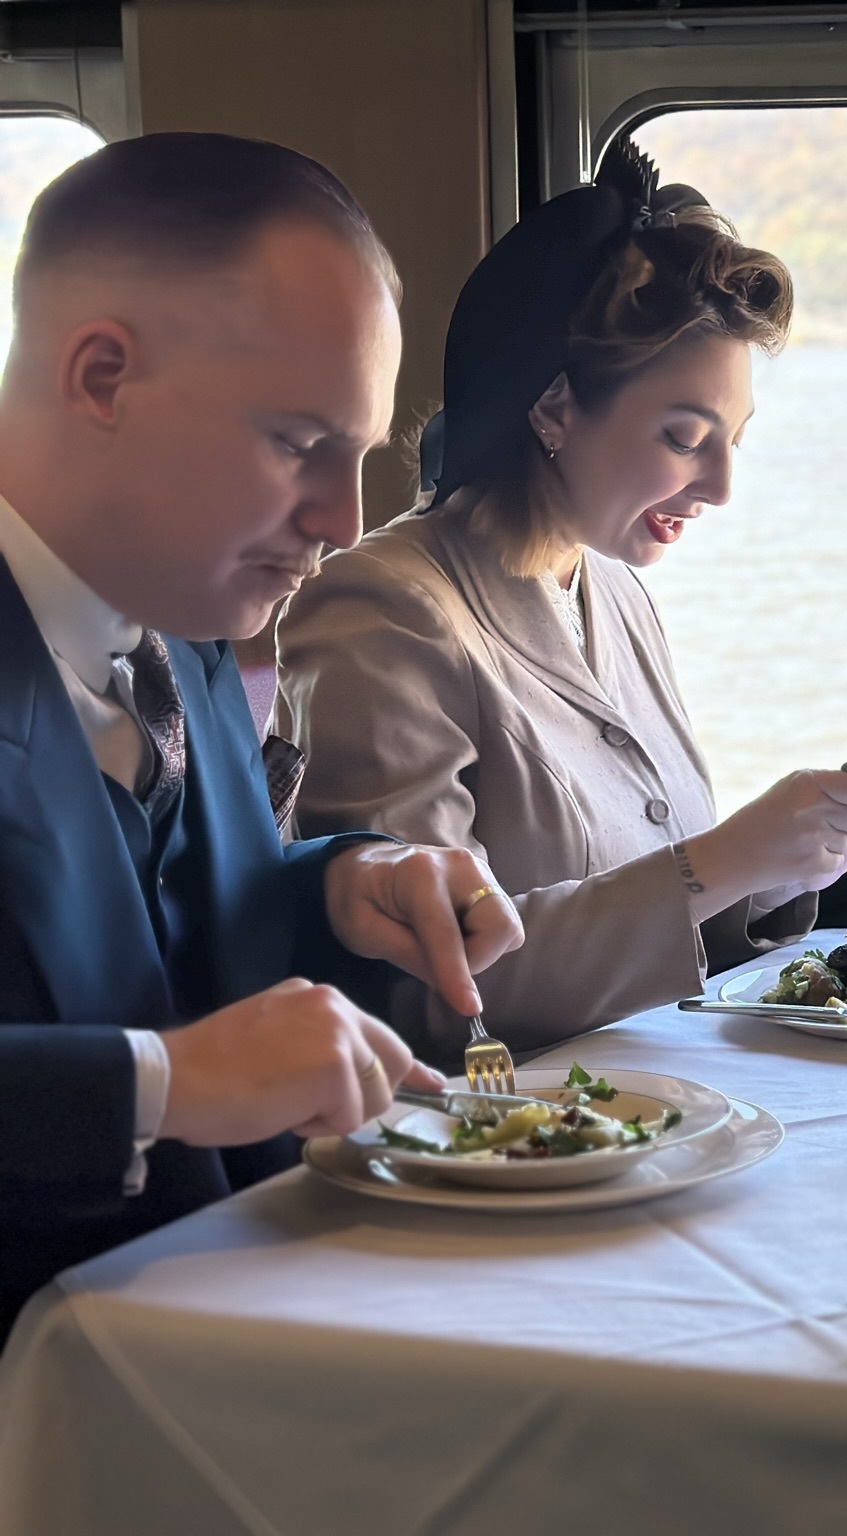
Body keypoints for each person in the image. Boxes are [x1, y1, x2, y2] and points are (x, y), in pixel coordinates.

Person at [0, 134, 524, 1338]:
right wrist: (162, 1087)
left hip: (241, 1331)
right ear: (101, 378)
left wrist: (347, 883)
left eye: (359, 457)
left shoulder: (176, 612)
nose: (344, 522)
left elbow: (143, 927)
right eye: (298, 445)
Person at [273, 138, 847, 1063]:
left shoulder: (611, 587)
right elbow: (436, 995)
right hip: (508, 1140)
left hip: (656, 1104)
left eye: (735, 439)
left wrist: (786, 861)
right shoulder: (382, 611)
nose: (721, 486)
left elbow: (659, 888)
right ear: (552, 410)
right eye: (684, 435)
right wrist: (728, 857)